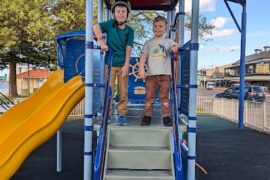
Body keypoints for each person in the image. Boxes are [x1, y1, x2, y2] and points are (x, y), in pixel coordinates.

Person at [93, 0, 134, 125]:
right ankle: (107, 114)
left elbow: (128, 48)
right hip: (109, 63)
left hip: (123, 64)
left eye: (123, 11)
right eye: (118, 11)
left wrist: (127, 65)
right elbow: (96, 26)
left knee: (123, 91)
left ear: (127, 14)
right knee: (108, 90)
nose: (121, 14)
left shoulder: (129, 30)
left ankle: (121, 115)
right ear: (114, 14)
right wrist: (101, 42)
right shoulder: (110, 25)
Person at [139, 15, 178, 126]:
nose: (157, 28)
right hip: (151, 75)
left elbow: (176, 45)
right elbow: (143, 57)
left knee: (164, 97)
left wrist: (175, 47)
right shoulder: (148, 43)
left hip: (165, 75)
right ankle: (147, 116)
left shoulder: (168, 41)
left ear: (165, 29)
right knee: (149, 97)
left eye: (160, 26)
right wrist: (141, 69)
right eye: (155, 26)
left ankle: (166, 116)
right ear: (152, 28)